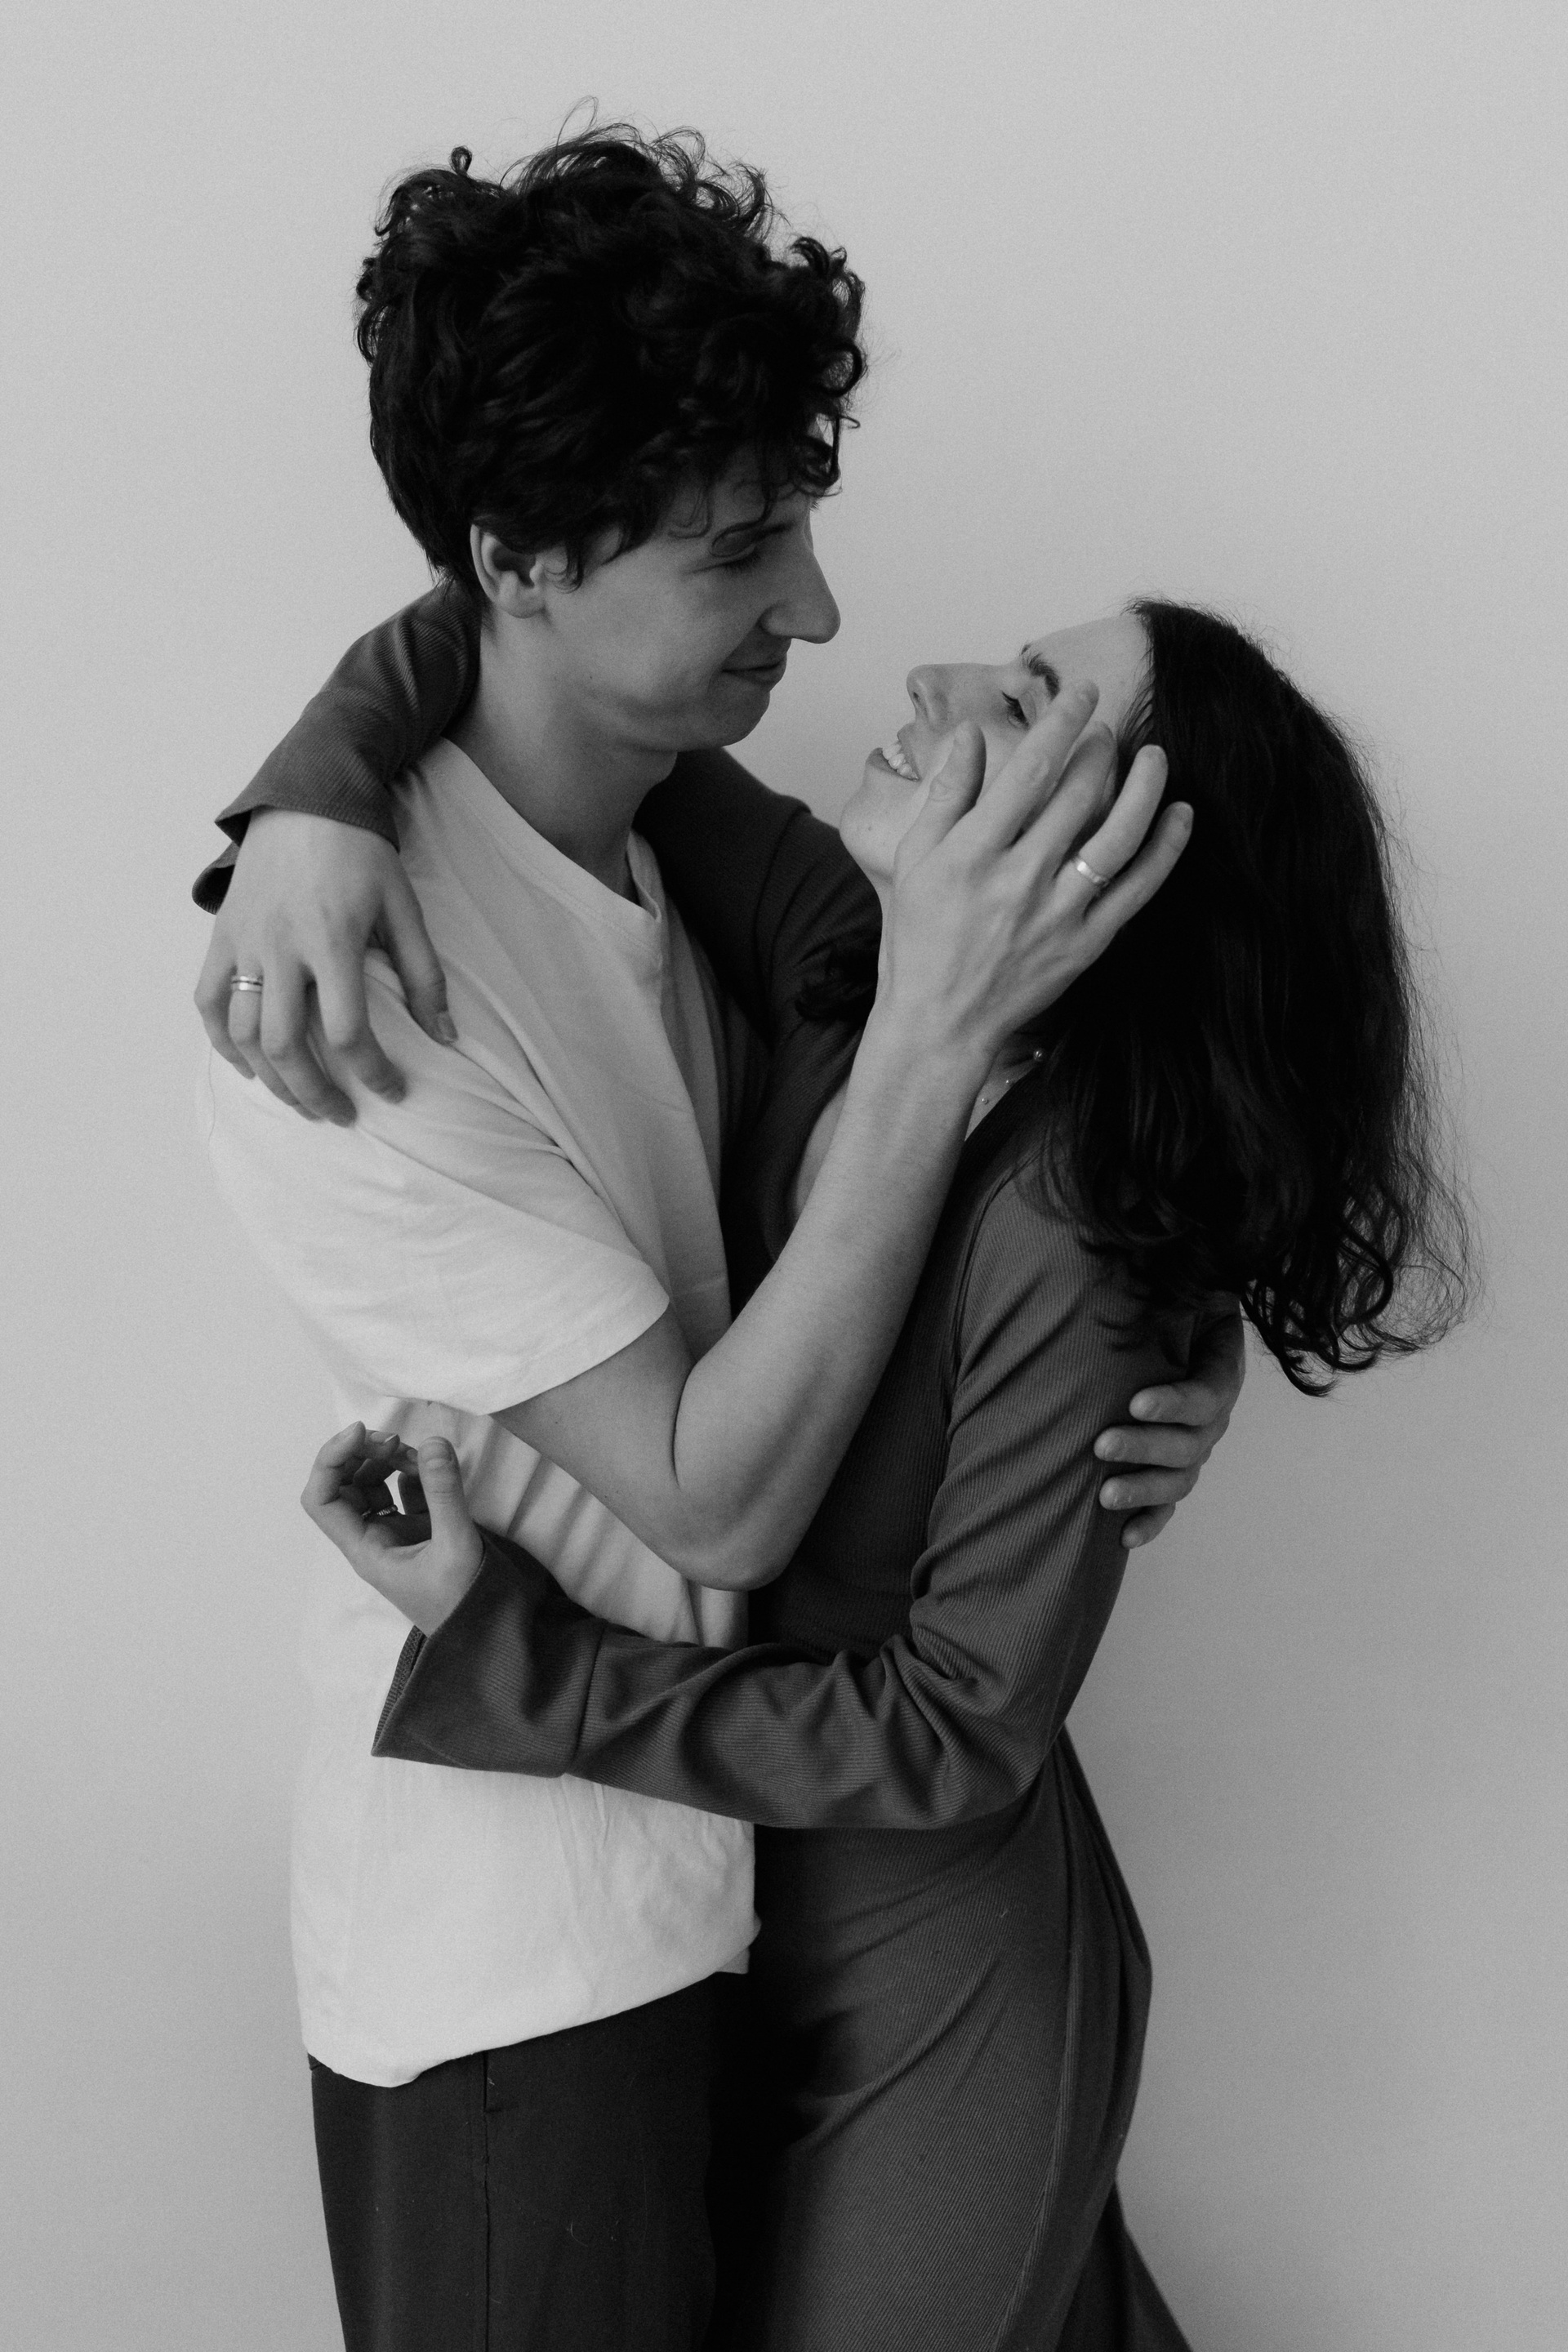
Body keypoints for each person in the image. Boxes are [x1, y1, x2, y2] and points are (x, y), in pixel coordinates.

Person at [194, 130, 1237, 2351]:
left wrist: (1186, 1331)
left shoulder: (727, 867)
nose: (833, 618)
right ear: (523, 559)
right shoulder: (363, 1003)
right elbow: (719, 1495)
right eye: (747, 546)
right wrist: (307, 793)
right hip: (526, 1948)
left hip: (787, 1895)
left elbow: (1101, 1181)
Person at [263, 598, 1468, 2349]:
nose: (930, 676)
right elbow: (538, 622)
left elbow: (959, 1728)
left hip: (944, 1984)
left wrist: (515, 1661)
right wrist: (308, 803)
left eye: (1029, 697)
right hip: (749, 1925)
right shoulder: (847, 949)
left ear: (1116, 854)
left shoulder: (1084, 1220)